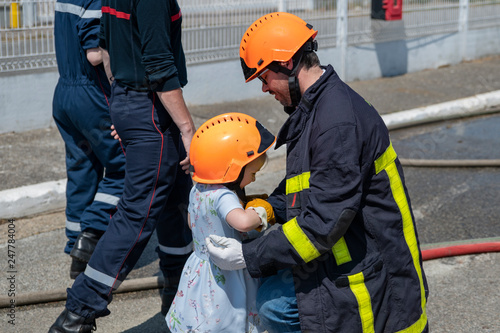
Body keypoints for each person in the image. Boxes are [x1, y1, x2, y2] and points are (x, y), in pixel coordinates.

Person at [206, 12, 429, 333]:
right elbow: (312, 185)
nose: (265, 89)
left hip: (371, 278)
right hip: (351, 252)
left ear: (285, 63)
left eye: (264, 77)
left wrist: (248, 254)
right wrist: (270, 208)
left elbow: (322, 224)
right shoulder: (318, 107)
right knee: (272, 297)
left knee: (276, 308)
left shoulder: (335, 122)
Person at [49, 0, 196, 332]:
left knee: (175, 198)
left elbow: (106, 48)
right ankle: (76, 315)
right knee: (136, 214)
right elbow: (159, 66)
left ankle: (179, 294)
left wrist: (120, 105)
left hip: (134, 102)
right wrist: (187, 128)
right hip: (151, 107)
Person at [166, 112, 276, 333]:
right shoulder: (224, 196)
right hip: (227, 272)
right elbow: (244, 223)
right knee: (229, 321)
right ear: (232, 169)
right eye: (252, 172)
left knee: (204, 318)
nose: (253, 179)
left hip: (200, 267)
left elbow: (191, 220)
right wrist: (264, 210)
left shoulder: (198, 188)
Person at [52, 0, 126, 280]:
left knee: (82, 170)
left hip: (64, 95)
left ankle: (75, 249)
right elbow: (95, 53)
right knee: (128, 165)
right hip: (93, 95)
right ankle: (91, 234)